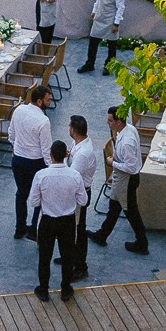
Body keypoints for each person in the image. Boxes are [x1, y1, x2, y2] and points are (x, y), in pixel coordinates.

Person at [28, 140, 88, 302]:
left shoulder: (41, 175)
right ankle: (66, 289)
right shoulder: (74, 175)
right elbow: (83, 200)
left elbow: (33, 202)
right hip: (67, 222)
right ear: (65, 156)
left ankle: (43, 289)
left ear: (51, 155)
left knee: (44, 257)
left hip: (47, 221)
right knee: (68, 256)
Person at [88, 104, 148, 254]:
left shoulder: (127, 142)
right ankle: (102, 235)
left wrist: (111, 163)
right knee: (114, 207)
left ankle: (142, 243)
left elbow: (131, 167)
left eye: (110, 121)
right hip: (122, 179)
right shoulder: (129, 129)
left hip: (126, 180)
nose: (107, 123)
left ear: (118, 122)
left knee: (131, 212)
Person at [9, 82, 54, 241]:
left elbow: (11, 134)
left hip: (18, 160)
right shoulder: (43, 121)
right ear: (40, 101)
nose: (50, 102)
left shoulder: (19, 109)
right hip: (36, 164)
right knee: (40, 196)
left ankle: (19, 228)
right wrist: (51, 167)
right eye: (48, 100)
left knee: (21, 194)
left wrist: (16, 149)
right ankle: (34, 228)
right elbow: (46, 148)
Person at [77, 0, 125, 75]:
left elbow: (121, 6)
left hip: (110, 18)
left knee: (111, 44)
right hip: (100, 17)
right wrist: (94, 11)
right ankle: (90, 64)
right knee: (93, 40)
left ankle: (109, 65)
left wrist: (116, 23)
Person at [67, 113, 97, 280]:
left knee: (78, 230)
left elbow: (72, 177)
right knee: (74, 228)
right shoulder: (79, 143)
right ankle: (72, 257)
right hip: (80, 190)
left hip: (80, 193)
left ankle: (80, 266)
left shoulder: (83, 154)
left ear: (73, 130)